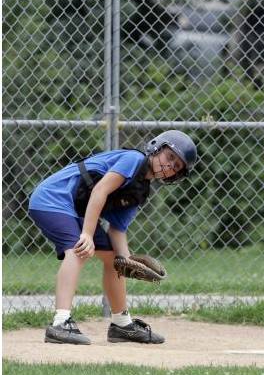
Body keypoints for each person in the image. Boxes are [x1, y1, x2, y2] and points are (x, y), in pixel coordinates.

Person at [28, 130, 197, 345]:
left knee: (112, 258)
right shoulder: (133, 160)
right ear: (156, 147)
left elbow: (117, 231)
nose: (169, 165)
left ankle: (121, 324)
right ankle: (60, 323)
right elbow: (100, 191)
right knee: (78, 248)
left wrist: (127, 261)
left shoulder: (140, 191)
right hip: (52, 197)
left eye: (176, 166)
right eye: (170, 157)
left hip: (76, 209)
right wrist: (88, 234)